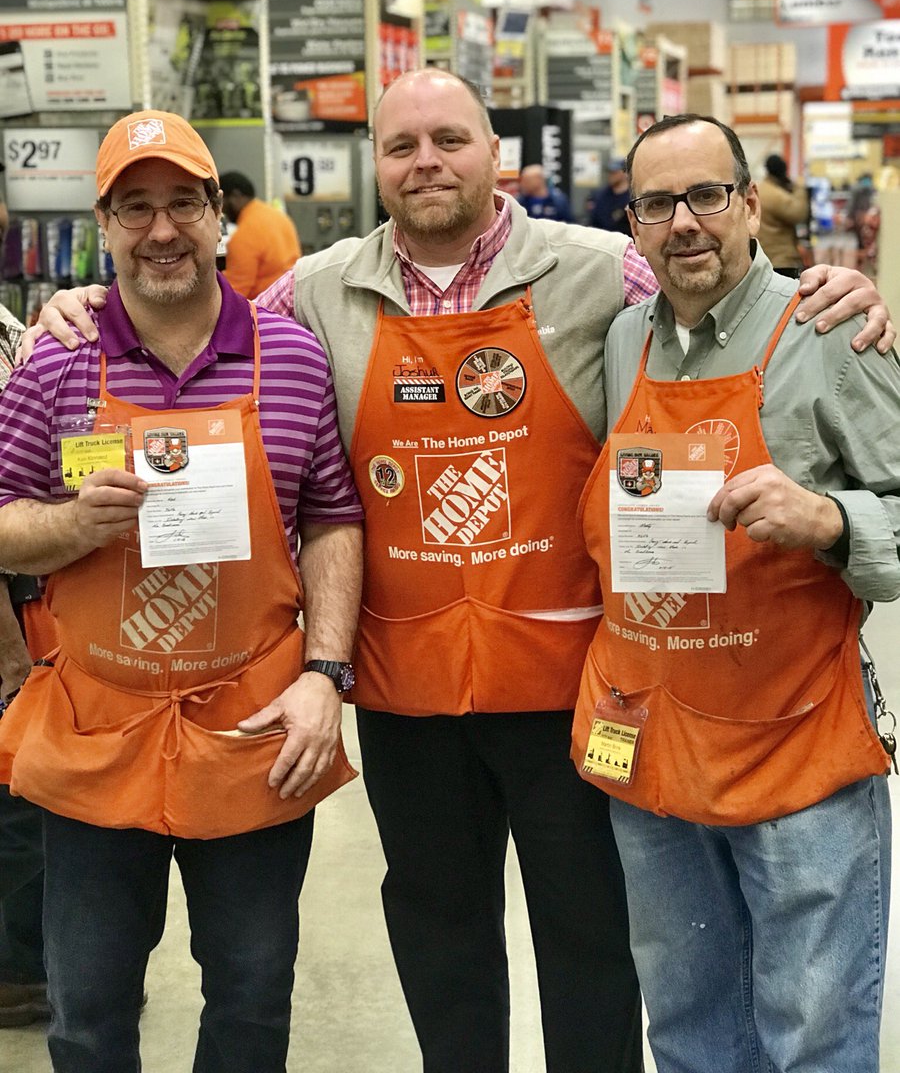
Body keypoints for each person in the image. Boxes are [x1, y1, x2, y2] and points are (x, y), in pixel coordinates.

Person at [25, 73, 895, 1073]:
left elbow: (725, 299)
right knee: (440, 935)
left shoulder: (607, 273)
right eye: (401, 147)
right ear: (379, 169)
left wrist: (831, 288)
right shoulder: (318, 288)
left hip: (571, 681)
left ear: (498, 156)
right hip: (408, 689)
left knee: (592, 937)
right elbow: (198, 316)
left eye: (450, 139)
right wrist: (97, 301)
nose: (425, 162)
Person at [0, 109, 364, 1073]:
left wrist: (327, 673)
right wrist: (71, 526)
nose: (161, 231)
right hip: (93, 728)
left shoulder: (289, 356)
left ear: (219, 217)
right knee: (87, 1008)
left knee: (250, 996)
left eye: (182, 205)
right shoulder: (55, 359)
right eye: (135, 209)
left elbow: (332, 514)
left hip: (250, 734)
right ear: (105, 224)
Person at [572, 114, 900, 1073]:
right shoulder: (624, 337)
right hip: (650, 744)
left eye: (708, 196)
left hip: (792, 743)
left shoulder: (829, 329)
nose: (685, 223)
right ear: (632, 224)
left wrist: (834, 523)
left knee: (814, 1030)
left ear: (752, 206)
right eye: (657, 204)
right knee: (687, 1025)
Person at [0, 298, 58, 1029]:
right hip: (11, 631)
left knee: (29, 800)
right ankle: (17, 969)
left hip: (34, 605)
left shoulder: (12, 323)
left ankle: (24, 964)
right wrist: (12, 662)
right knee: (21, 814)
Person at [219, 170, 301, 299]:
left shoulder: (245, 234)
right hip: (292, 299)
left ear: (235, 196)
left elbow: (234, 293)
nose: (221, 211)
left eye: (221, 203)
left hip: (264, 309)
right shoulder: (279, 217)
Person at [756, 153, 809, 276]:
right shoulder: (776, 195)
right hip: (781, 260)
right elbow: (798, 214)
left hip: (764, 256)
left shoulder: (761, 189)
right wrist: (800, 189)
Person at [588, 156, 632, 235]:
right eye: (609, 172)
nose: (610, 175)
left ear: (625, 173)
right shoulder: (601, 196)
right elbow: (595, 222)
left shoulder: (631, 197)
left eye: (614, 172)